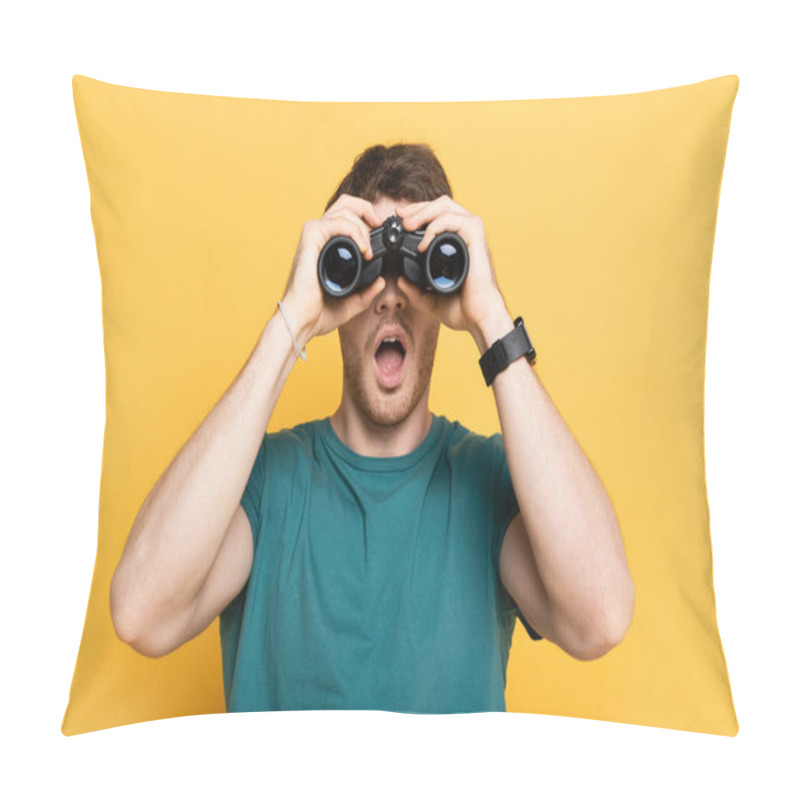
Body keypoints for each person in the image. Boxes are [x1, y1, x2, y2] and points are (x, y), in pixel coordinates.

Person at [110, 143, 635, 714]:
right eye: (363, 268)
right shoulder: (261, 483)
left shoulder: (489, 482)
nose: (391, 297)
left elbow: (602, 618)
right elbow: (141, 614)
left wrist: (491, 318)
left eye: (417, 268)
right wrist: (292, 320)